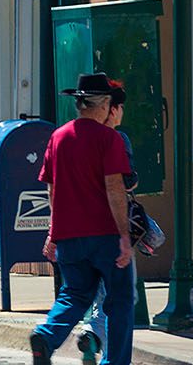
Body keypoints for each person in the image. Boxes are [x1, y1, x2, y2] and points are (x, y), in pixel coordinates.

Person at [28, 74, 135, 365]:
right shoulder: (108, 138)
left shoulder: (58, 137)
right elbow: (114, 188)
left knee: (73, 294)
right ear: (103, 105)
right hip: (105, 236)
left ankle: (47, 335)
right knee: (120, 301)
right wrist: (124, 236)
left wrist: (53, 232)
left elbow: (51, 188)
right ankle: (114, 362)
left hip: (69, 237)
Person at [77, 82, 141, 365]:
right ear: (111, 109)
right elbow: (127, 182)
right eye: (120, 107)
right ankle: (96, 337)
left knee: (94, 290)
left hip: (77, 229)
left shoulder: (74, 136)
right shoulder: (116, 140)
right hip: (112, 229)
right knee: (122, 296)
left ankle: (92, 332)